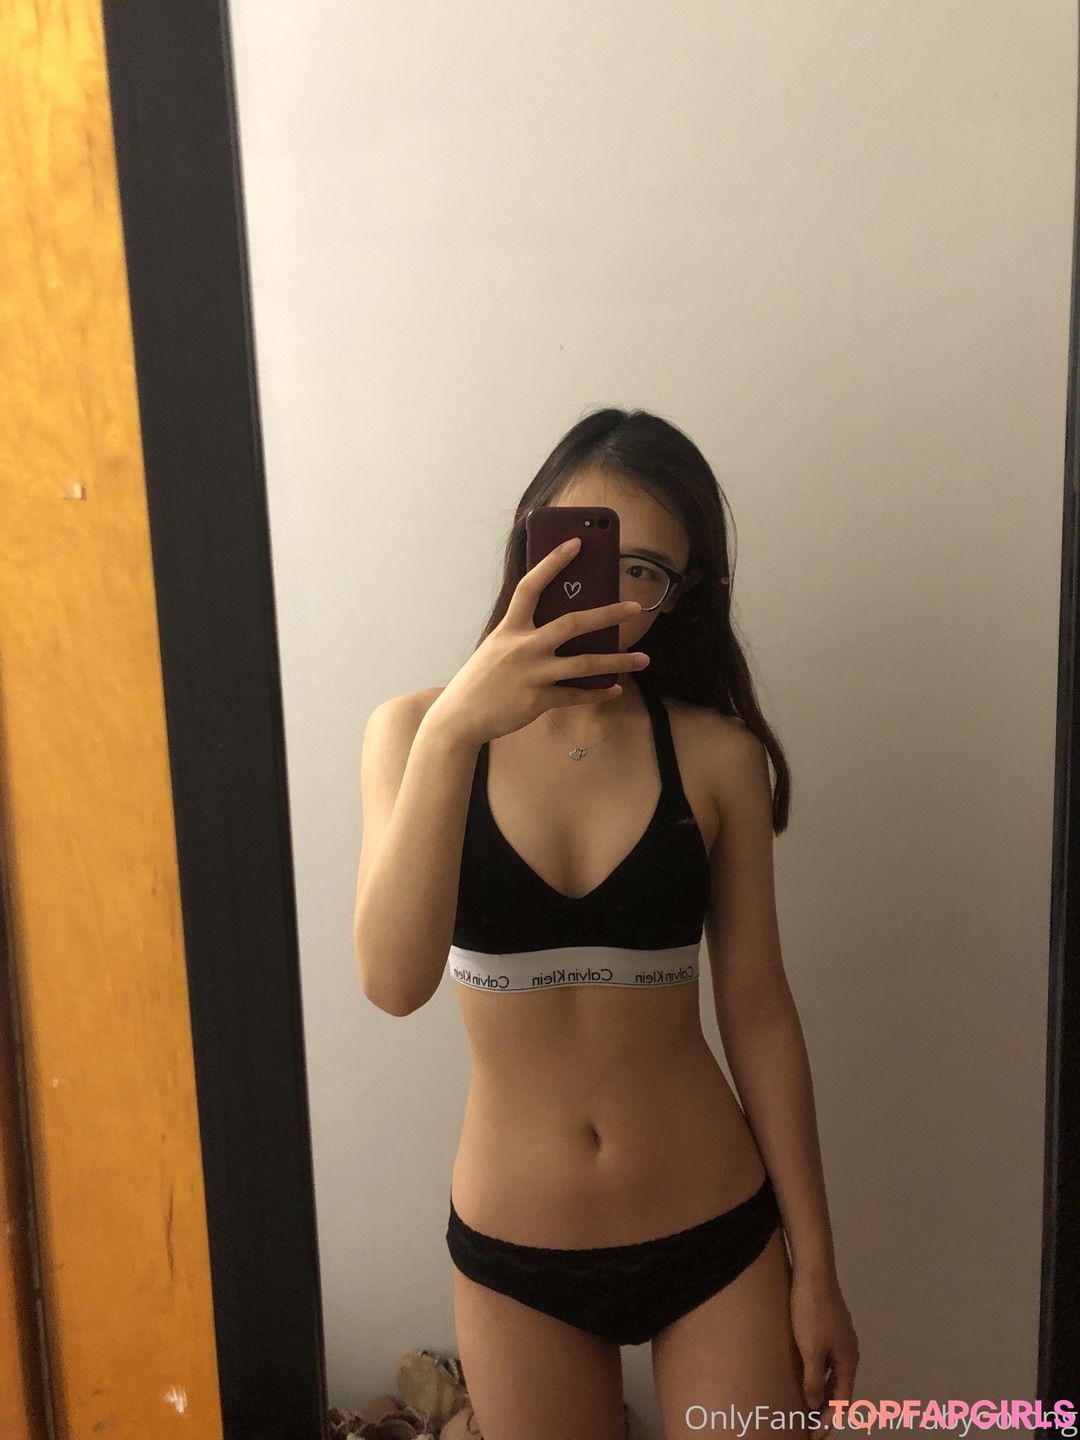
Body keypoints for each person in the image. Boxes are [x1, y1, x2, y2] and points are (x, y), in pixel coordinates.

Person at [354, 408, 859, 1440]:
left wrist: (816, 1266)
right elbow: (393, 984)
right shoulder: (415, 732)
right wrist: (455, 730)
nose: (611, 589)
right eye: (585, 548)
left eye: (647, 571)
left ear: (681, 595)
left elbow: (759, 1013)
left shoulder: (715, 755)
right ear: (531, 538)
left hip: (716, 1231)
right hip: (517, 1254)